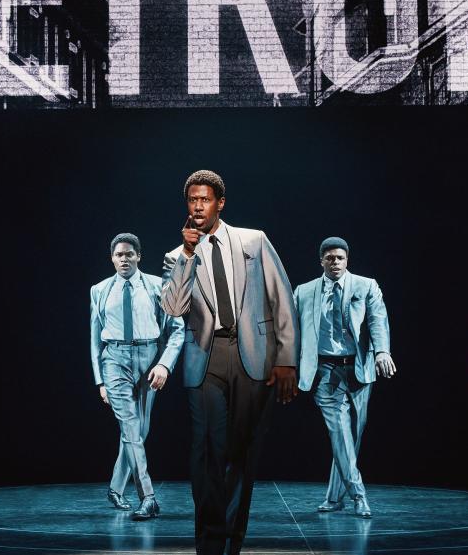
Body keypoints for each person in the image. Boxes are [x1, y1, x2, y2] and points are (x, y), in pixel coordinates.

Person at [161, 170, 299, 555]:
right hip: (206, 358)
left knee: (242, 450)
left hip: (253, 354)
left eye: (204, 200)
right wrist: (187, 255)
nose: (198, 207)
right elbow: (173, 308)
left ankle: (231, 542)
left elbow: (281, 298)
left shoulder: (253, 240)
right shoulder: (176, 255)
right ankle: (210, 542)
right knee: (206, 448)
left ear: (220, 203)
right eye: (192, 201)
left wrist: (287, 359)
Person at [294, 237, 396, 518]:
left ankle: (334, 497)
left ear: (347, 260)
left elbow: (378, 320)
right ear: (321, 261)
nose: (335, 262)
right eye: (330, 258)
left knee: (352, 437)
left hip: (359, 369)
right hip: (325, 371)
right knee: (340, 432)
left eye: (340, 258)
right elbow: (293, 334)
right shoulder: (304, 291)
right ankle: (358, 495)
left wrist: (382, 352)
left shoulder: (366, 286)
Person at [90, 233, 184, 520]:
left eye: (130, 254)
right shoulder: (100, 290)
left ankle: (115, 488)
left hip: (149, 359)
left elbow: (177, 329)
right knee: (131, 428)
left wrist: (164, 365)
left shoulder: (158, 286)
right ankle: (149, 497)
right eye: (119, 254)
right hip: (114, 360)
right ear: (112, 258)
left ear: (139, 256)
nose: (124, 259)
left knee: (139, 432)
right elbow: (95, 337)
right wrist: (101, 381)